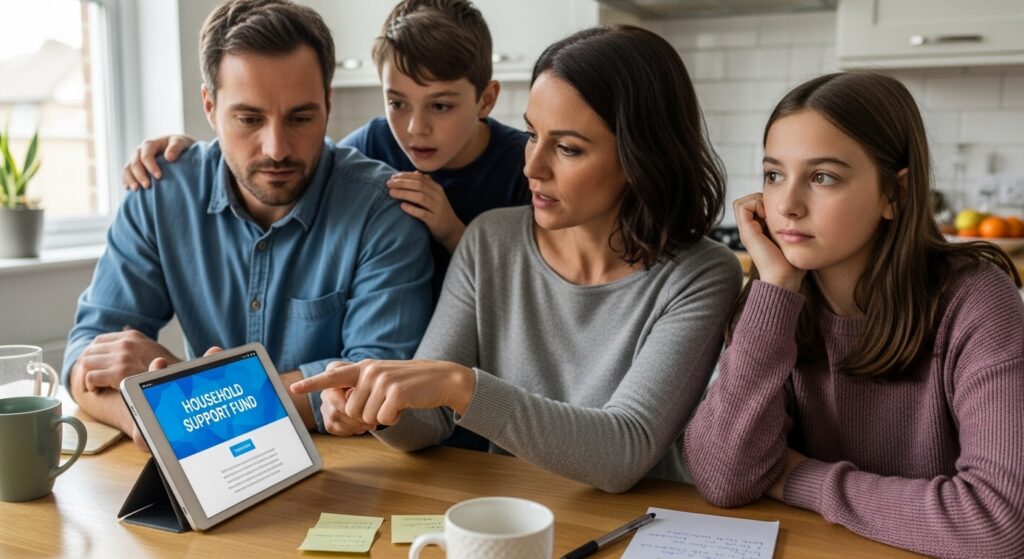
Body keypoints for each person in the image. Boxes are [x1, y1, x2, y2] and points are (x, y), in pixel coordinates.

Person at [291, 25, 743, 493]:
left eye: (567, 148)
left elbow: (623, 452)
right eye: (532, 135)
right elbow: (427, 423)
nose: (532, 166)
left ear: (640, 158)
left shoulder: (702, 274)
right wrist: (374, 409)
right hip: (511, 516)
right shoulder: (490, 240)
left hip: (636, 527)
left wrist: (461, 385)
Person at [63, 0, 433, 446]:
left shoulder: (385, 210)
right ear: (209, 106)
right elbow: (85, 359)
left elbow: (371, 387)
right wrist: (150, 422)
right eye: (249, 118)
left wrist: (180, 394)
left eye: (300, 117)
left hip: (345, 472)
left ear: (328, 103)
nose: (277, 147)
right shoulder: (158, 193)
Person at [684, 72, 1024, 557]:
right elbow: (723, 478)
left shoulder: (974, 300)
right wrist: (777, 288)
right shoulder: (776, 298)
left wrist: (799, 477)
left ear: (896, 194)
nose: (787, 206)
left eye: (823, 177)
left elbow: (998, 521)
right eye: (774, 175)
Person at [121, 0, 528, 303]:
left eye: (440, 106)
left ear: (486, 100)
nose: (413, 127)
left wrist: (454, 232)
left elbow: (536, 295)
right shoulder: (371, 146)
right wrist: (205, 157)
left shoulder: (524, 169)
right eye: (396, 103)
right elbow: (298, 162)